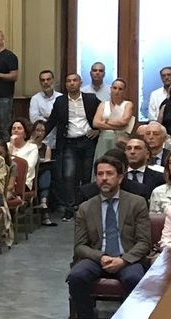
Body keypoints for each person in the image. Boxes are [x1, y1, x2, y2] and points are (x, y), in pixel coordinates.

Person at [67, 156, 151, 319]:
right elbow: (80, 245)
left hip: (127, 258)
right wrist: (101, 257)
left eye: (109, 174)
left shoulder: (136, 203)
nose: (104, 178)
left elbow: (144, 242)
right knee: (77, 276)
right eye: (100, 174)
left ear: (120, 177)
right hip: (98, 257)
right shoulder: (86, 208)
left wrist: (124, 260)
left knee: (134, 279)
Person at [45, 73, 101, 222]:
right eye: (68, 81)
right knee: (69, 176)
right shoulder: (60, 101)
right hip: (69, 142)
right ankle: (69, 208)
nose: (71, 83)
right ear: (65, 84)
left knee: (87, 176)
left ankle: (86, 209)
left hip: (88, 141)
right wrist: (35, 137)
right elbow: (51, 122)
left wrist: (98, 130)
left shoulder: (91, 99)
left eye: (74, 80)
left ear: (80, 83)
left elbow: (102, 115)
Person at [91, 79, 136, 169]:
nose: (117, 91)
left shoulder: (128, 104)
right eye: (114, 88)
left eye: (120, 89)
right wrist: (118, 125)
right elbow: (95, 123)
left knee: (118, 165)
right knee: (102, 164)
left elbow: (124, 121)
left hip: (120, 140)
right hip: (104, 140)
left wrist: (106, 121)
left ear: (124, 91)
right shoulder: (103, 104)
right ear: (111, 89)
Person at [29, 70, 60, 150]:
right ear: (40, 82)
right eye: (43, 80)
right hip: (42, 141)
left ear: (53, 80)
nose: (46, 82)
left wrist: (46, 117)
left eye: (48, 79)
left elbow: (63, 118)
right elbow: (34, 119)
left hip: (58, 139)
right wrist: (53, 118)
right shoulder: (35, 99)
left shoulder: (61, 97)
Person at [7, 118, 40, 191]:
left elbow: (29, 167)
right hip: (6, 180)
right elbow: (3, 164)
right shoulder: (7, 146)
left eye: (19, 128)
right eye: (13, 128)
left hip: (23, 181)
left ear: (25, 133)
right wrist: (11, 145)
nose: (16, 130)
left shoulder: (32, 148)